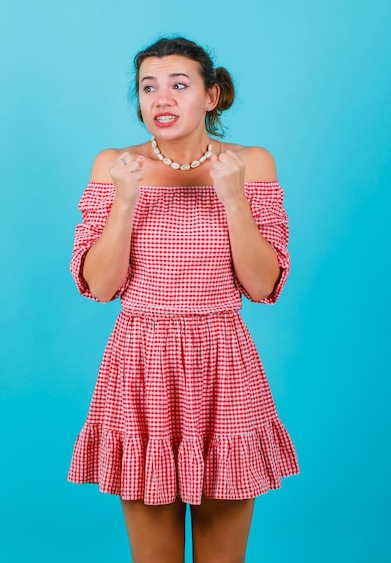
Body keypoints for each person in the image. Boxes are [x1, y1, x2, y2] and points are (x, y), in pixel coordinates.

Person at [68, 36, 299, 563]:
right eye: (149, 87)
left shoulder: (251, 163)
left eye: (179, 85)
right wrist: (125, 201)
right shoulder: (115, 165)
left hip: (223, 366)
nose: (162, 99)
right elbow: (101, 287)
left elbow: (262, 286)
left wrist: (235, 199)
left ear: (211, 96)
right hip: (141, 366)